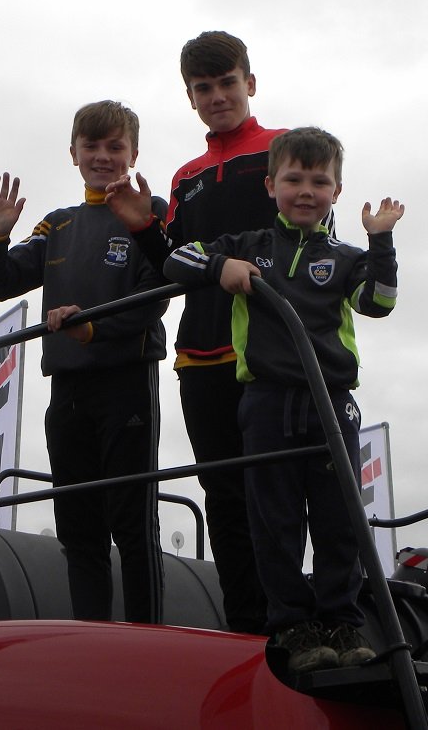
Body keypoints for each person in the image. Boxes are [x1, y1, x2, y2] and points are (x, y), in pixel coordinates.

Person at [162, 127, 404, 674]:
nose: (305, 191)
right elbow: (176, 260)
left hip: (331, 404)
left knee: (340, 518)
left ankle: (343, 623)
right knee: (274, 522)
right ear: (271, 185)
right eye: (293, 179)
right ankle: (293, 627)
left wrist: (381, 241)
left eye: (319, 182)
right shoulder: (248, 246)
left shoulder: (344, 257)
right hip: (267, 402)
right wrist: (219, 269)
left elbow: (379, 302)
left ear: (336, 193)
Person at [106, 31, 297, 634]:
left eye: (227, 83)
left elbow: (310, 239)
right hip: (200, 358)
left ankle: (291, 631)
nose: (217, 96)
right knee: (224, 501)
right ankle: (245, 633)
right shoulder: (185, 177)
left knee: (278, 499)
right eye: (203, 88)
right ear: (190, 98)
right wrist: (142, 229)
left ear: (251, 84)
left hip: (271, 357)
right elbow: (170, 263)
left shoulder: (285, 150)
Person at [0, 99, 167, 624]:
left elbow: (157, 297)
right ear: (73, 154)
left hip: (128, 381)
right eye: (92, 146)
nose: (103, 156)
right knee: (78, 526)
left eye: (115, 147)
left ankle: (148, 638)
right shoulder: (56, 224)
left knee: (133, 524)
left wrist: (93, 327)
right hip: (67, 389)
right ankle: (92, 639)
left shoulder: (152, 213)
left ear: (133, 154)